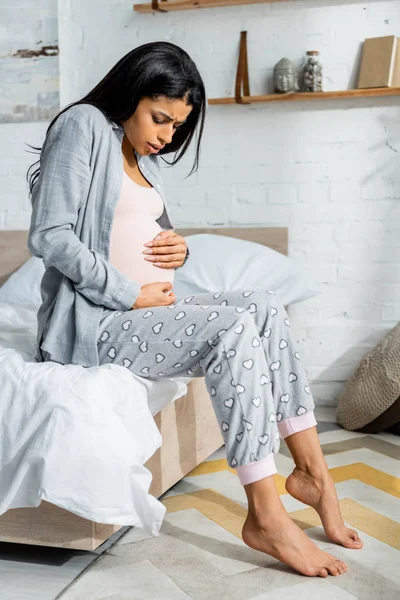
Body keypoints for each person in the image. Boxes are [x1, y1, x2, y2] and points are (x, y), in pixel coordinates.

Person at [26, 41, 362, 577]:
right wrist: (129, 292)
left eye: (177, 126)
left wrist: (176, 247)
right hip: (97, 322)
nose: (167, 136)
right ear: (131, 94)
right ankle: (266, 516)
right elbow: (51, 236)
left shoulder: (140, 154)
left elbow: (138, 231)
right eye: (160, 119)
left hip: (142, 311)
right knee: (231, 327)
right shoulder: (84, 125)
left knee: (265, 305)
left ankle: (312, 472)